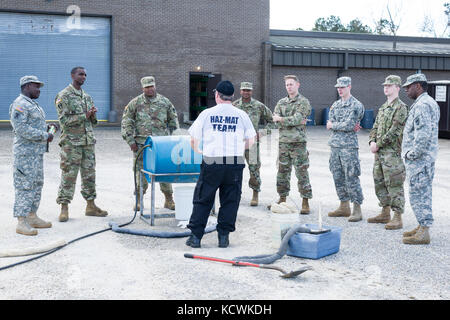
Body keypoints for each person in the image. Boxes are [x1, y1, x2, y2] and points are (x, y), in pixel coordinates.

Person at [186, 80, 256, 248]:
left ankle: (196, 238)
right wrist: (239, 147)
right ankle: (223, 238)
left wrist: (200, 151)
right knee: (230, 200)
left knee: (204, 198)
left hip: (212, 161)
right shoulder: (241, 115)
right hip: (234, 161)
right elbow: (251, 140)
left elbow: (194, 140)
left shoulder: (207, 113)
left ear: (217, 95)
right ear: (232, 96)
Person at [55, 67, 108, 222]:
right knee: (69, 175)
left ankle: (90, 206)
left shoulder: (87, 97)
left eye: (85, 74)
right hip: (71, 143)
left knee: (89, 175)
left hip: (88, 143)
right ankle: (64, 207)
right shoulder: (63, 95)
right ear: (72, 76)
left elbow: (93, 123)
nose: (83, 76)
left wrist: (93, 114)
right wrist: (85, 116)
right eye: (80, 74)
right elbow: (64, 121)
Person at [121, 76, 180, 211]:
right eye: (147, 87)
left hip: (161, 145)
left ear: (155, 86)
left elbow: (173, 121)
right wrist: (130, 141)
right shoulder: (135, 103)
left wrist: (173, 140)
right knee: (140, 172)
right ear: (142, 88)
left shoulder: (165, 102)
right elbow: (126, 122)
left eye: (152, 86)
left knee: (164, 171)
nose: (150, 89)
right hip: (142, 145)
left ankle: (169, 199)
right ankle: (139, 200)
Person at [9, 75, 53, 235]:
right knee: (24, 186)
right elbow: (21, 128)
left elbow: (33, 125)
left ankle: (32, 216)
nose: (39, 90)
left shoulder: (32, 105)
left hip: (36, 153)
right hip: (25, 155)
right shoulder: (20, 105)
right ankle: (21, 221)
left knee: (37, 184)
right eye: (36, 86)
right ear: (27, 86)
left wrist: (48, 128)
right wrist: (44, 136)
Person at [401, 73, 440, 245]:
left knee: (420, 194)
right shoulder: (427, 102)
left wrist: (412, 154)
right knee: (420, 193)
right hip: (423, 160)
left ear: (418, 86)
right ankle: (421, 225)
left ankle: (424, 230)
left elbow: (422, 135)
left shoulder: (423, 105)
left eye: (408, 87)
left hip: (420, 161)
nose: (406, 90)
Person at [368, 75, 408, 230]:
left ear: (397, 88)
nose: (386, 88)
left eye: (389, 86)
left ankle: (397, 216)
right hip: (379, 153)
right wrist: (372, 141)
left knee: (394, 184)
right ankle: (385, 212)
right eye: (385, 85)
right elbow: (375, 126)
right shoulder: (383, 107)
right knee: (379, 182)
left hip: (391, 153)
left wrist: (378, 143)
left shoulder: (401, 108)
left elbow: (395, 131)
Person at [272, 75, 312, 214]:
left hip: (298, 143)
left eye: (291, 84)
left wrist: (282, 119)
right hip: (283, 143)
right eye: (287, 85)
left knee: (302, 172)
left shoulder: (304, 102)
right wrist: (290, 120)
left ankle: (305, 201)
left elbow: (298, 118)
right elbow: (274, 119)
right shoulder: (281, 102)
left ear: (298, 85)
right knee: (282, 172)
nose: (289, 87)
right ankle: (282, 198)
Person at [327, 76, 365, 222]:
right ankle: (344, 205)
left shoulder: (356, 105)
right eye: (338, 87)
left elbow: (350, 125)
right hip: (335, 146)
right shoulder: (335, 105)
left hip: (349, 147)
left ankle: (357, 208)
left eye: (342, 87)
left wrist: (335, 126)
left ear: (349, 86)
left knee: (351, 177)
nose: (340, 90)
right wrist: (339, 125)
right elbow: (329, 121)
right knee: (338, 176)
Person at [232, 82, 273, 206]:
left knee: (254, 169)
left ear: (252, 91)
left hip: (252, 144)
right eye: (244, 90)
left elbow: (273, 120)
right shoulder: (234, 106)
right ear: (240, 91)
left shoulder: (258, 106)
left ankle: (255, 194)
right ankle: (234, 194)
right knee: (234, 170)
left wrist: (263, 132)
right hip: (236, 144)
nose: (246, 92)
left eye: (248, 90)